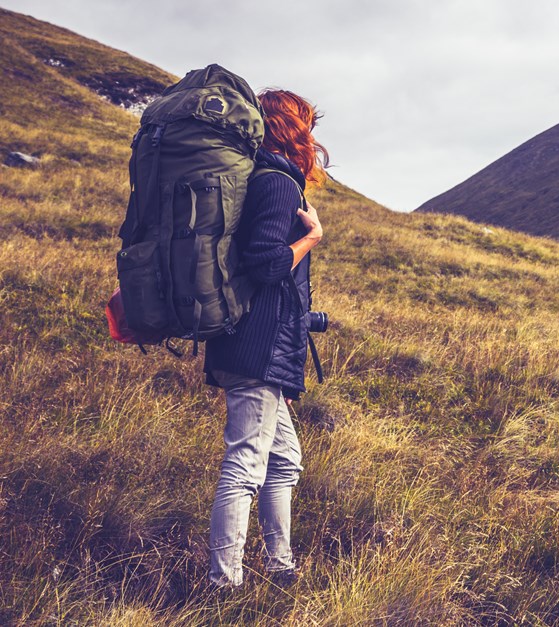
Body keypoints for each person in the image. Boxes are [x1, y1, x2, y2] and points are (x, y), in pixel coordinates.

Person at [203, 89, 329, 589]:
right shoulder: (277, 182)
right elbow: (266, 263)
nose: (313, 138)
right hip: (256, 347)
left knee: (285, 460)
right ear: (292, 129)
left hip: (254, 347)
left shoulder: (262, 177)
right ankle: (223, 587)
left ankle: (281, 568)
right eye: (307, 125)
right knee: (245, 466)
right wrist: (312, 238)